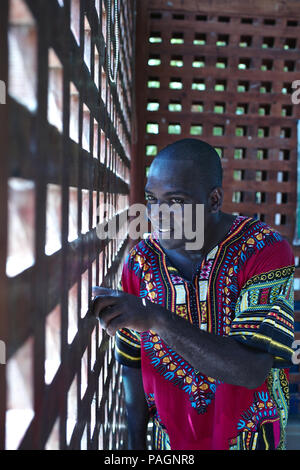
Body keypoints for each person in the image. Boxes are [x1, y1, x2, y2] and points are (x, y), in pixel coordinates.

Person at [91, 138, 295, 450]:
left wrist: (157, 318)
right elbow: (130, 365)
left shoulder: (265, 250)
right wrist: (135, 447)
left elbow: (252, 370)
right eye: (152, 199)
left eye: (176, 201)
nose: (157, 214)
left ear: (214, 200)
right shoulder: (141, 261)